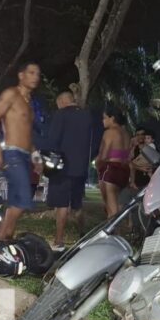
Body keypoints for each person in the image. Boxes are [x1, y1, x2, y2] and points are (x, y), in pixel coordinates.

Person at [0, 61, 42, 241]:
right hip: (13, 154)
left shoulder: (30, 103)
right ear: (21, 75)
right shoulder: (11, 94)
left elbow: (28, 135)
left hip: (26, 156)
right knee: (23, 199)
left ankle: (3, 240)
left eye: (38, 74)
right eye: (31, 72)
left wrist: (36, 157)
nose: (36, 77)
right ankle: (0, 240)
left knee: (15, 202)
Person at [45, 90, 94, 251]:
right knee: (77, 205)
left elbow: (53, 140)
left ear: (62, 102)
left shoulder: (61, 115)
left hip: (63, 167)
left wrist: (47, 162)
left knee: (62, 205)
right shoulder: (87, 116)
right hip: (81, 168)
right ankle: (83, 234)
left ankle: (59, 241)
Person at [95, 106, 130, 218]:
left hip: (110, 170)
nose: (103, 121)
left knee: (111, 208)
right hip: (124, 170)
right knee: (117, 204)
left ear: (112, 118)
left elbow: (103, 156)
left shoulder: (110, 132)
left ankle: (113, 228)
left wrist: (97, 164)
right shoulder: (126, 134)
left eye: (105, 118)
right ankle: (117, 226)